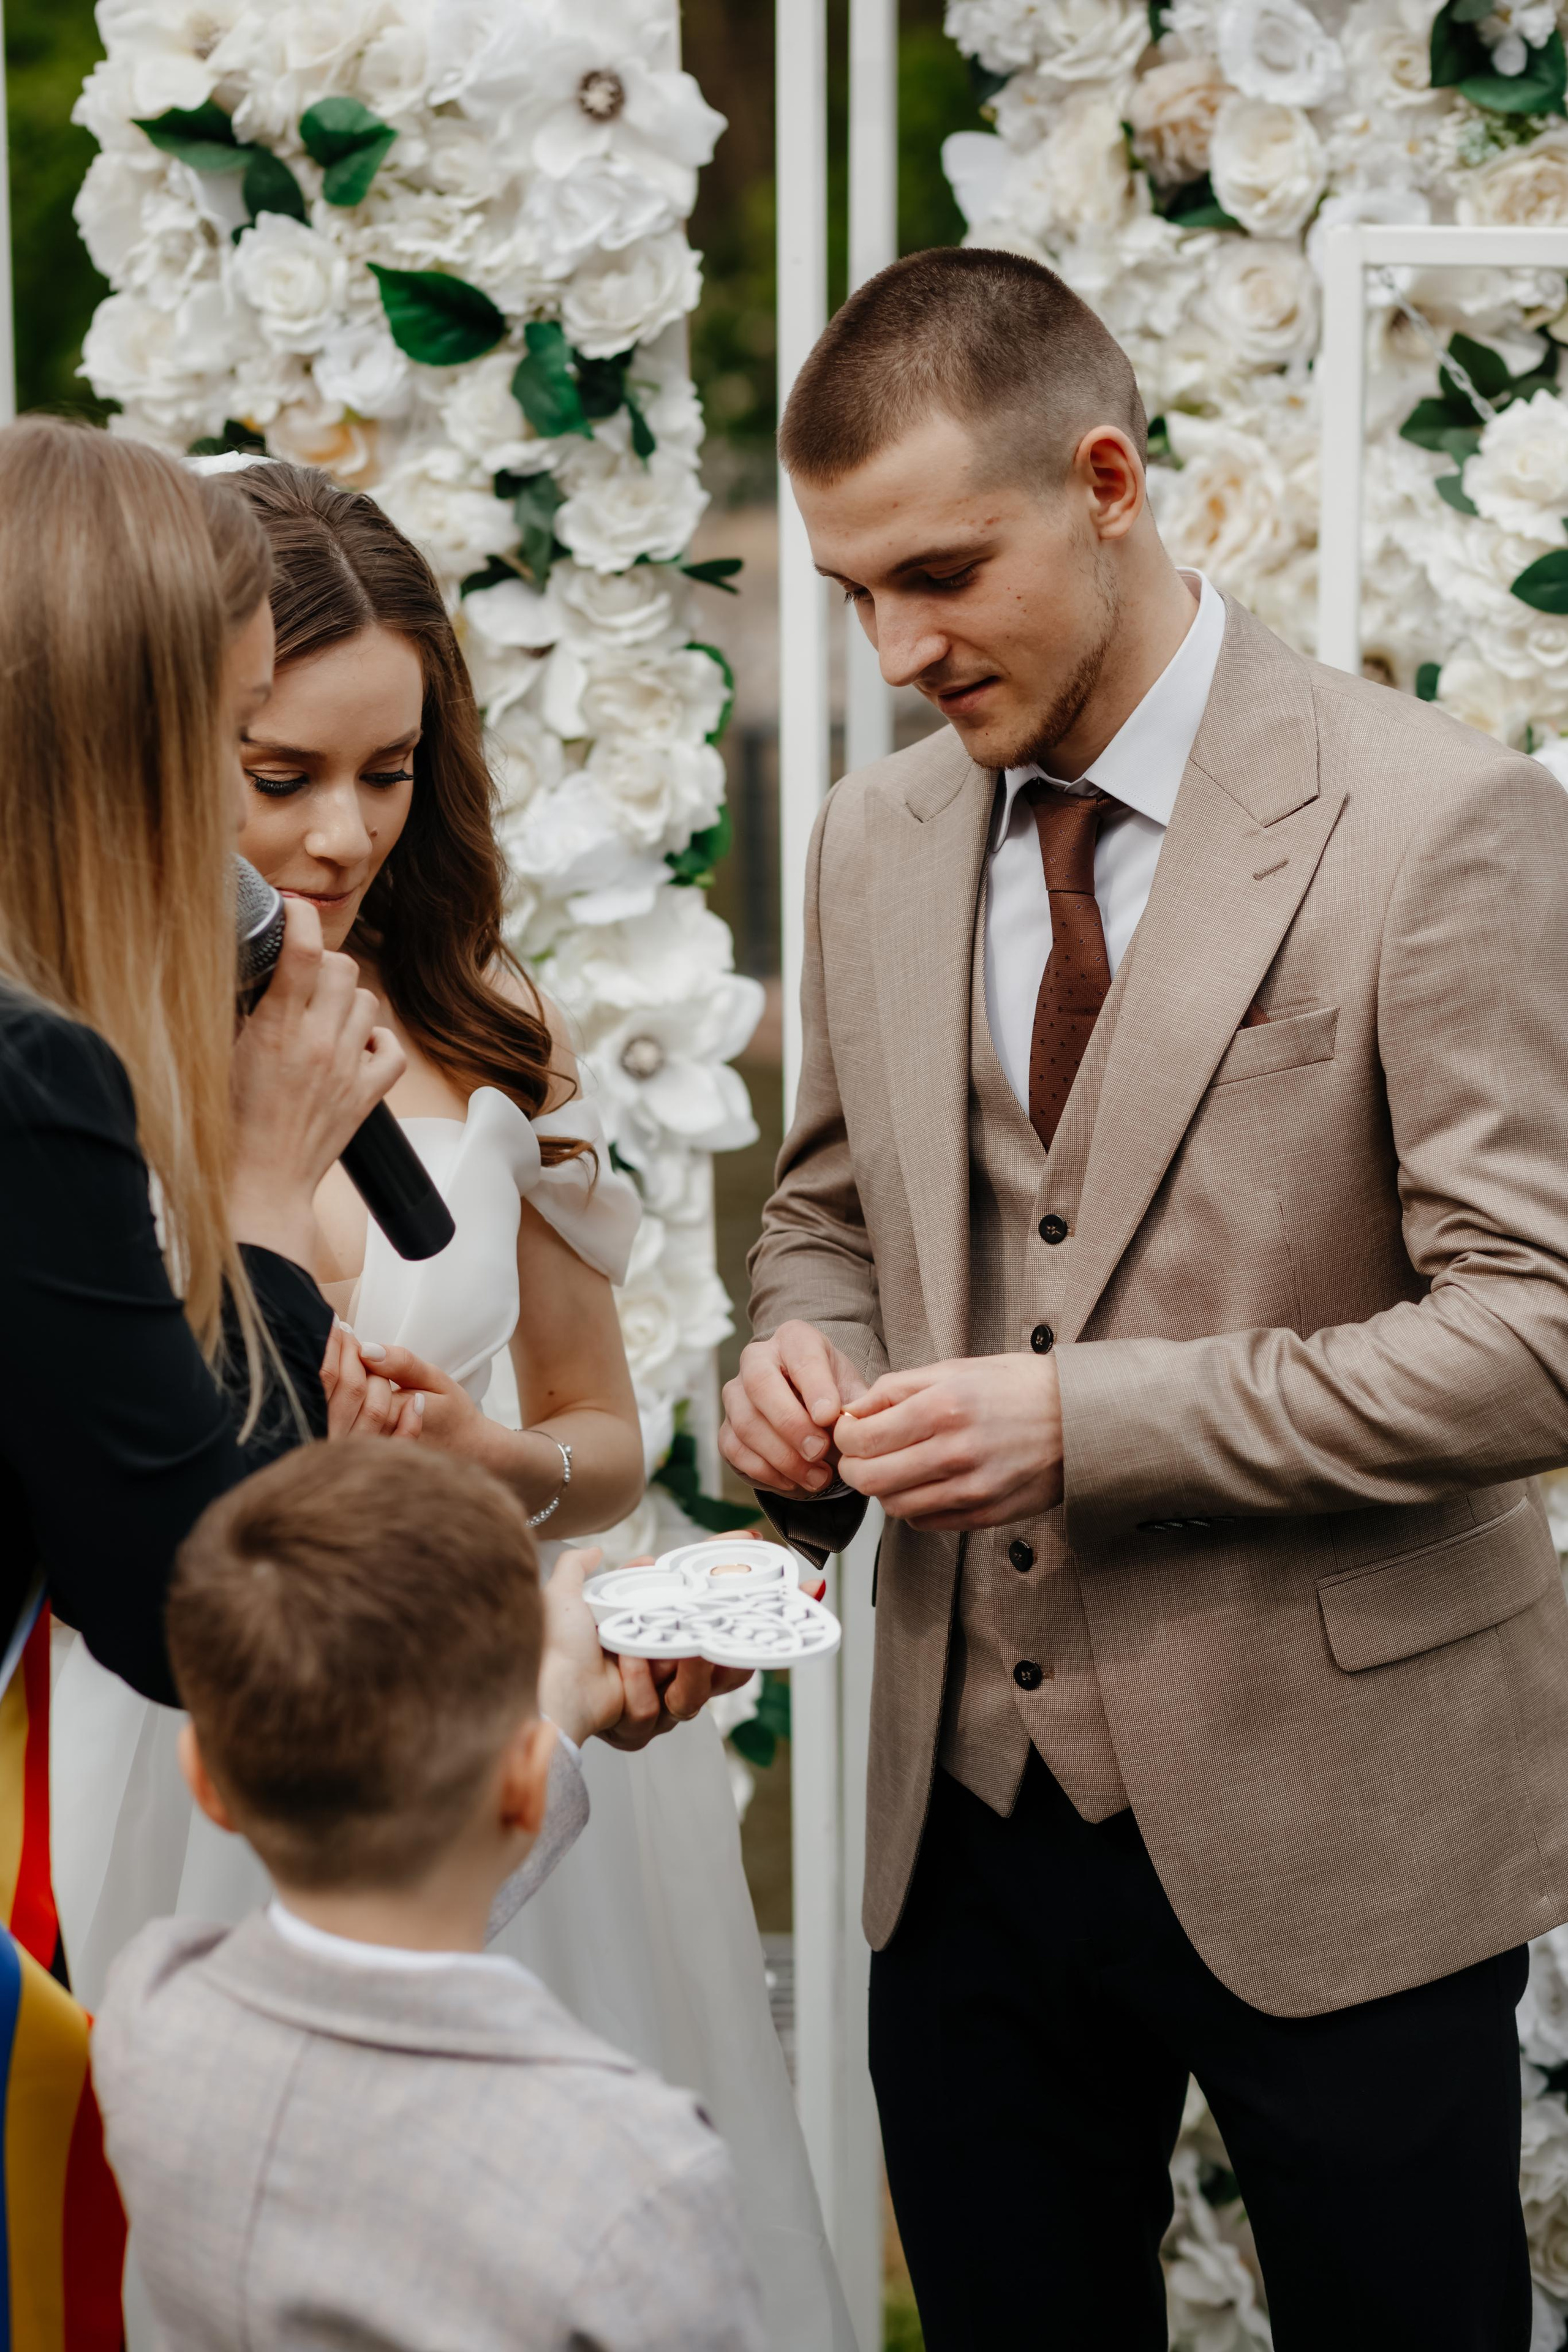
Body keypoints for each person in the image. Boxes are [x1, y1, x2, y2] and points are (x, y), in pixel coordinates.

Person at [722, 245, 1568, 2352]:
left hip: (1341, 1814)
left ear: (1106, 478)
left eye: (940, 572)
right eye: (853, 597)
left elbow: (1540, 1326)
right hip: (963, 1826)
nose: (899, 647)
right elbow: (829, 1206)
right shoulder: (870, 843)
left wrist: (1094, 1423)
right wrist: (789, 1354)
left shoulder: (1439, 822)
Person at [54, 458, 853, 2351]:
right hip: (171, 1732)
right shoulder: (70, 1042)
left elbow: (596, 1428)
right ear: (171, 738)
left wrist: (506, 1465)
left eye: (390, 772)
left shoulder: (487, 1010)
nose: (341, 837)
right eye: (281, 778)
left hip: (485, 1731)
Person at [0, 415, 403, 2341]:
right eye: (236, 736)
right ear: (120, 736)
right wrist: (259, 1193)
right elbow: (178, 1591)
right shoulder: (26, 1079)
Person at [92, 1440, 765, 2352]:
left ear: (204, 1780)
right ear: (525, 1781)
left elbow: (364, 1962)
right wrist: (546, 1728)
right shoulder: (635, 2172)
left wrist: (550, 1727)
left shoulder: (145, 2008)